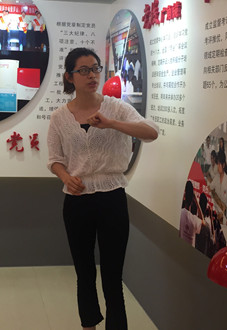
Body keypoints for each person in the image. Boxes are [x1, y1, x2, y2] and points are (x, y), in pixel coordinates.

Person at [47, 47, 158, 330]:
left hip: (112, 199)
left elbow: (151, 132)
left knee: (112, 276)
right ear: (70, 77)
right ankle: (89, 326)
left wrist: (112, 124)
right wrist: (65, 177)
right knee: (84, 273)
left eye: (95, 69)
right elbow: (55, 159)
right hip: (76, 200)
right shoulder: (59, 117)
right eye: (83, 70)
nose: (92, 75)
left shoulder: (116, 107)